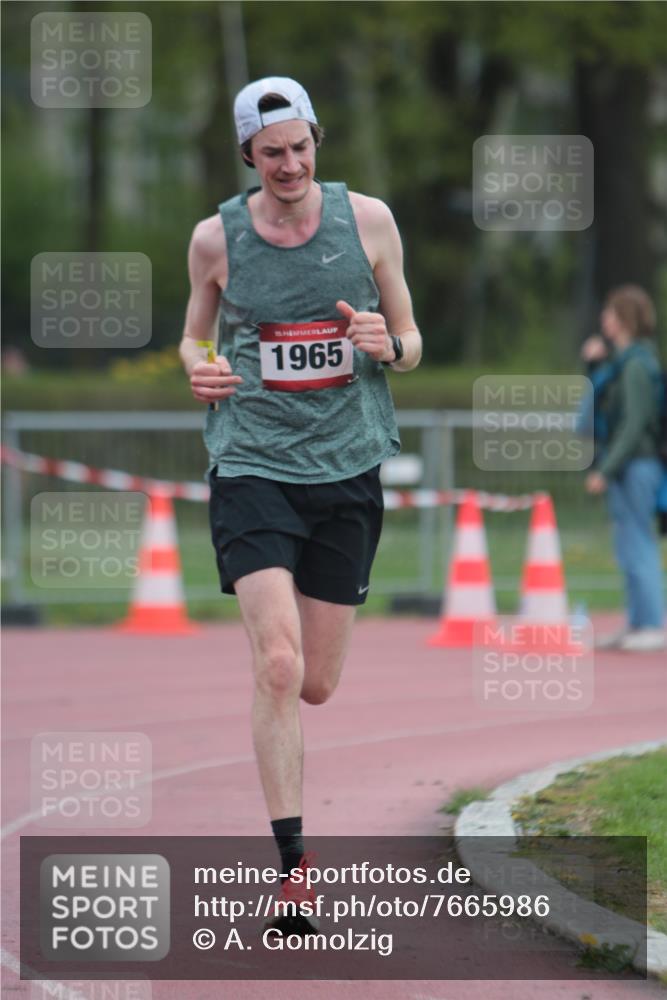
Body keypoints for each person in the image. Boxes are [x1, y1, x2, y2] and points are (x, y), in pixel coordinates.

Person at [179, 77, 422, 930]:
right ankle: (294, 871)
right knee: (276, 665)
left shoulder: (370, 222)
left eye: (301, 146)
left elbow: (412, 341)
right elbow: (194, 331)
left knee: (315, 683)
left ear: (317, 140)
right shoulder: (217, 238)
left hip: (347, 466)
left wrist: (384, 344)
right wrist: (197, 365)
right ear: (248, 154)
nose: (290, 163)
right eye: (272, 151)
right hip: (252, 464)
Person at [581, 284, 665, 652]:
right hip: (627, 465)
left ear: (625, 319)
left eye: (610, 313)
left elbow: (633, 424)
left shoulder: (636, 365)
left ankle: (651, 623)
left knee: (638, 542)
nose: (604, 320)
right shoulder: (623, 361)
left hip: (637, 465)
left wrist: (606, 468)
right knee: (628, 543)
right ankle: (637, 621)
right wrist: (593, 364)